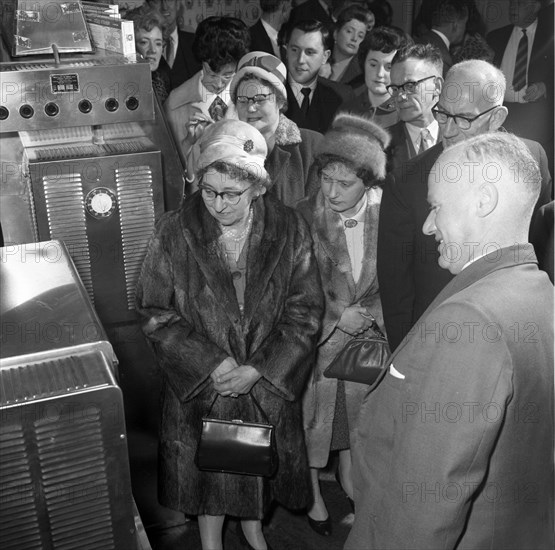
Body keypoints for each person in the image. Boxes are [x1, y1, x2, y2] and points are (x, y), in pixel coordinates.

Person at [346, 131, 554, 550]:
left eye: (435, 207)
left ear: (482, 201)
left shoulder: (471, 321)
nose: (426, 226)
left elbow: (425, 504)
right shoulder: (540, 293)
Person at [135, 119, 323, 550]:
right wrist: (212, 364)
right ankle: (211, 542)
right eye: (208, 190)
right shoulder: (172, 230)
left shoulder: (290, 228)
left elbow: (306, 311)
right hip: (203, 384)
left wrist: (258, 369)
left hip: (263, 383)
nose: (217, 205)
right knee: (209, 475)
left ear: (257, 187)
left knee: (256, 465)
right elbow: (153, 311)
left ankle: (254, 530)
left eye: (231, 194)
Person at [377, 59, 553, 351]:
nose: (447, 131)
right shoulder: (406, 183)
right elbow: (397, 295)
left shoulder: (532, 159)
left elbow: (541, 256)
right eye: (443, 114)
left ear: (497, 117)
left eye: (463, 119)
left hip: (518, 338)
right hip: (440, 346)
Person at [297, 112, 390, 537]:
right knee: (311, 428)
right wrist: (338, 316)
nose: (330, 192)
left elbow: (396, 282)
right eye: (325, 179)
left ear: (368, 183)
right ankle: (313, 495)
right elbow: (292, 292)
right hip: (317, 347)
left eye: (344, 183)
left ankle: (359, 496)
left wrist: (371, 319)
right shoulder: (301, 217)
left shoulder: (388, 218)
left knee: (357, 427)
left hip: (368, 344)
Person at [229, 51, 322, 207]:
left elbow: (320, 213)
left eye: (260, 99)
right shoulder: (228, 149)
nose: (250, 108)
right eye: (242, 100)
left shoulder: (311, 147)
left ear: (280, 101)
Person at [165, 16, 250, 166]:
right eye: (211, 73)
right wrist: (187, 143)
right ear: (201, 61)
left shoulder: (252, 97)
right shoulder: (175, 103)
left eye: (227, 75)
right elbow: (170, 170)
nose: (218, 84)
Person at [486, 0, 554, 175]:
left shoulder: (550, 37)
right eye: (511, 3)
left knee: (534, 170)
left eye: (520, 3)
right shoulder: (495, 37)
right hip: (502, 113)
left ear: (535, 6)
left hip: (535, 116)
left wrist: (545, 87)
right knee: (503, 167)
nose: (512, 7)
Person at [284, 19, 355, 134]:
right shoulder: (269, 90)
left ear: (325, 57)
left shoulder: (341, 96)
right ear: (286, 51)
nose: (300, 60)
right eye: (294, 50)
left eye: (310, 52)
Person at [339, 26, 411, 128]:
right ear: (363, 63)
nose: (380, 73)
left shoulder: (408, 114)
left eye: (389, 67)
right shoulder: (347, 111)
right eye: (373, 65)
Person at [386, 43, 443, 171]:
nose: (400, 96)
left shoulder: (461, 139)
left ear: (437, 86)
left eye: (410, 86)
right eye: (395, 88)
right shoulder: (381, 145)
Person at [145, 0, 200, 89]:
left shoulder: (197, 42)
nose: (165, 7)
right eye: (157, 1)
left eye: (169, 0)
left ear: (178, 4)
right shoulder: (138, 48)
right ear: (148, 6)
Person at [126, 5, 171, 103]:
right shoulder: (124, 85)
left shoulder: (162, 80)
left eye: (158, 43)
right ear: (130, 45)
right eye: (144, 42)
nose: (153, 50)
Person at [415, 0, 468, 76]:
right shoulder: (442, 59)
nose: (465, 29)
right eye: (464, 24)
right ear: (455, 25)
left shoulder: (417, 42)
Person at [326, 4, 372, 85]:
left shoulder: (362, 76)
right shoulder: (318, 62)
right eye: (349, 31)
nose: (354, 38)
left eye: (360, 36)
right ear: (336, 33)